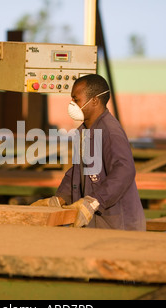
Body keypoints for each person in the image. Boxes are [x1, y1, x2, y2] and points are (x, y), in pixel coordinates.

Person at [31, 74, 146, 231]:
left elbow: (125, 170)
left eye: (76, 100)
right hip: (96, 225)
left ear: (95, 100)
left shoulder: (110, 132)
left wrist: (94, 201)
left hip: (118, 226)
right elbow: (78, 172)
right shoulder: (84, 131)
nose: (72, 104)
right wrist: (59, 199)